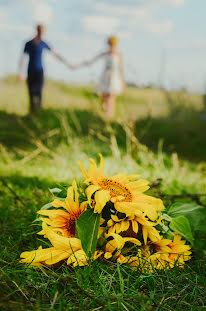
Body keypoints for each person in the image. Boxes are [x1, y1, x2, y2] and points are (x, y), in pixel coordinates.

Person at [18, 24, 74, 113]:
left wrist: (67, 64)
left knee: (39, 91)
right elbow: (22, 58)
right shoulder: (28, 43)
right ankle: (32, 111)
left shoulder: (43, 43)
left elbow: (55, 54)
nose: (42, 33)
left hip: (40, 71)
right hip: (30, 70)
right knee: (31, 92)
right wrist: (21, 73)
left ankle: (39, 110)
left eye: (43, 31)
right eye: (40, 31)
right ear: (37, 31)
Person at [77, 36, 125, 118]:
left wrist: (122, 81)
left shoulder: (119, 55)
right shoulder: (105, 53)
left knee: (111, 97)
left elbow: (121, 68)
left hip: (114, 76)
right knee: (103, 97)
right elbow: (92, 60)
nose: (111, 45)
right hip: (105, 75)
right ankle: (105, 111)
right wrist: (82, 64)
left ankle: (109, 115)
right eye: (110, 43)